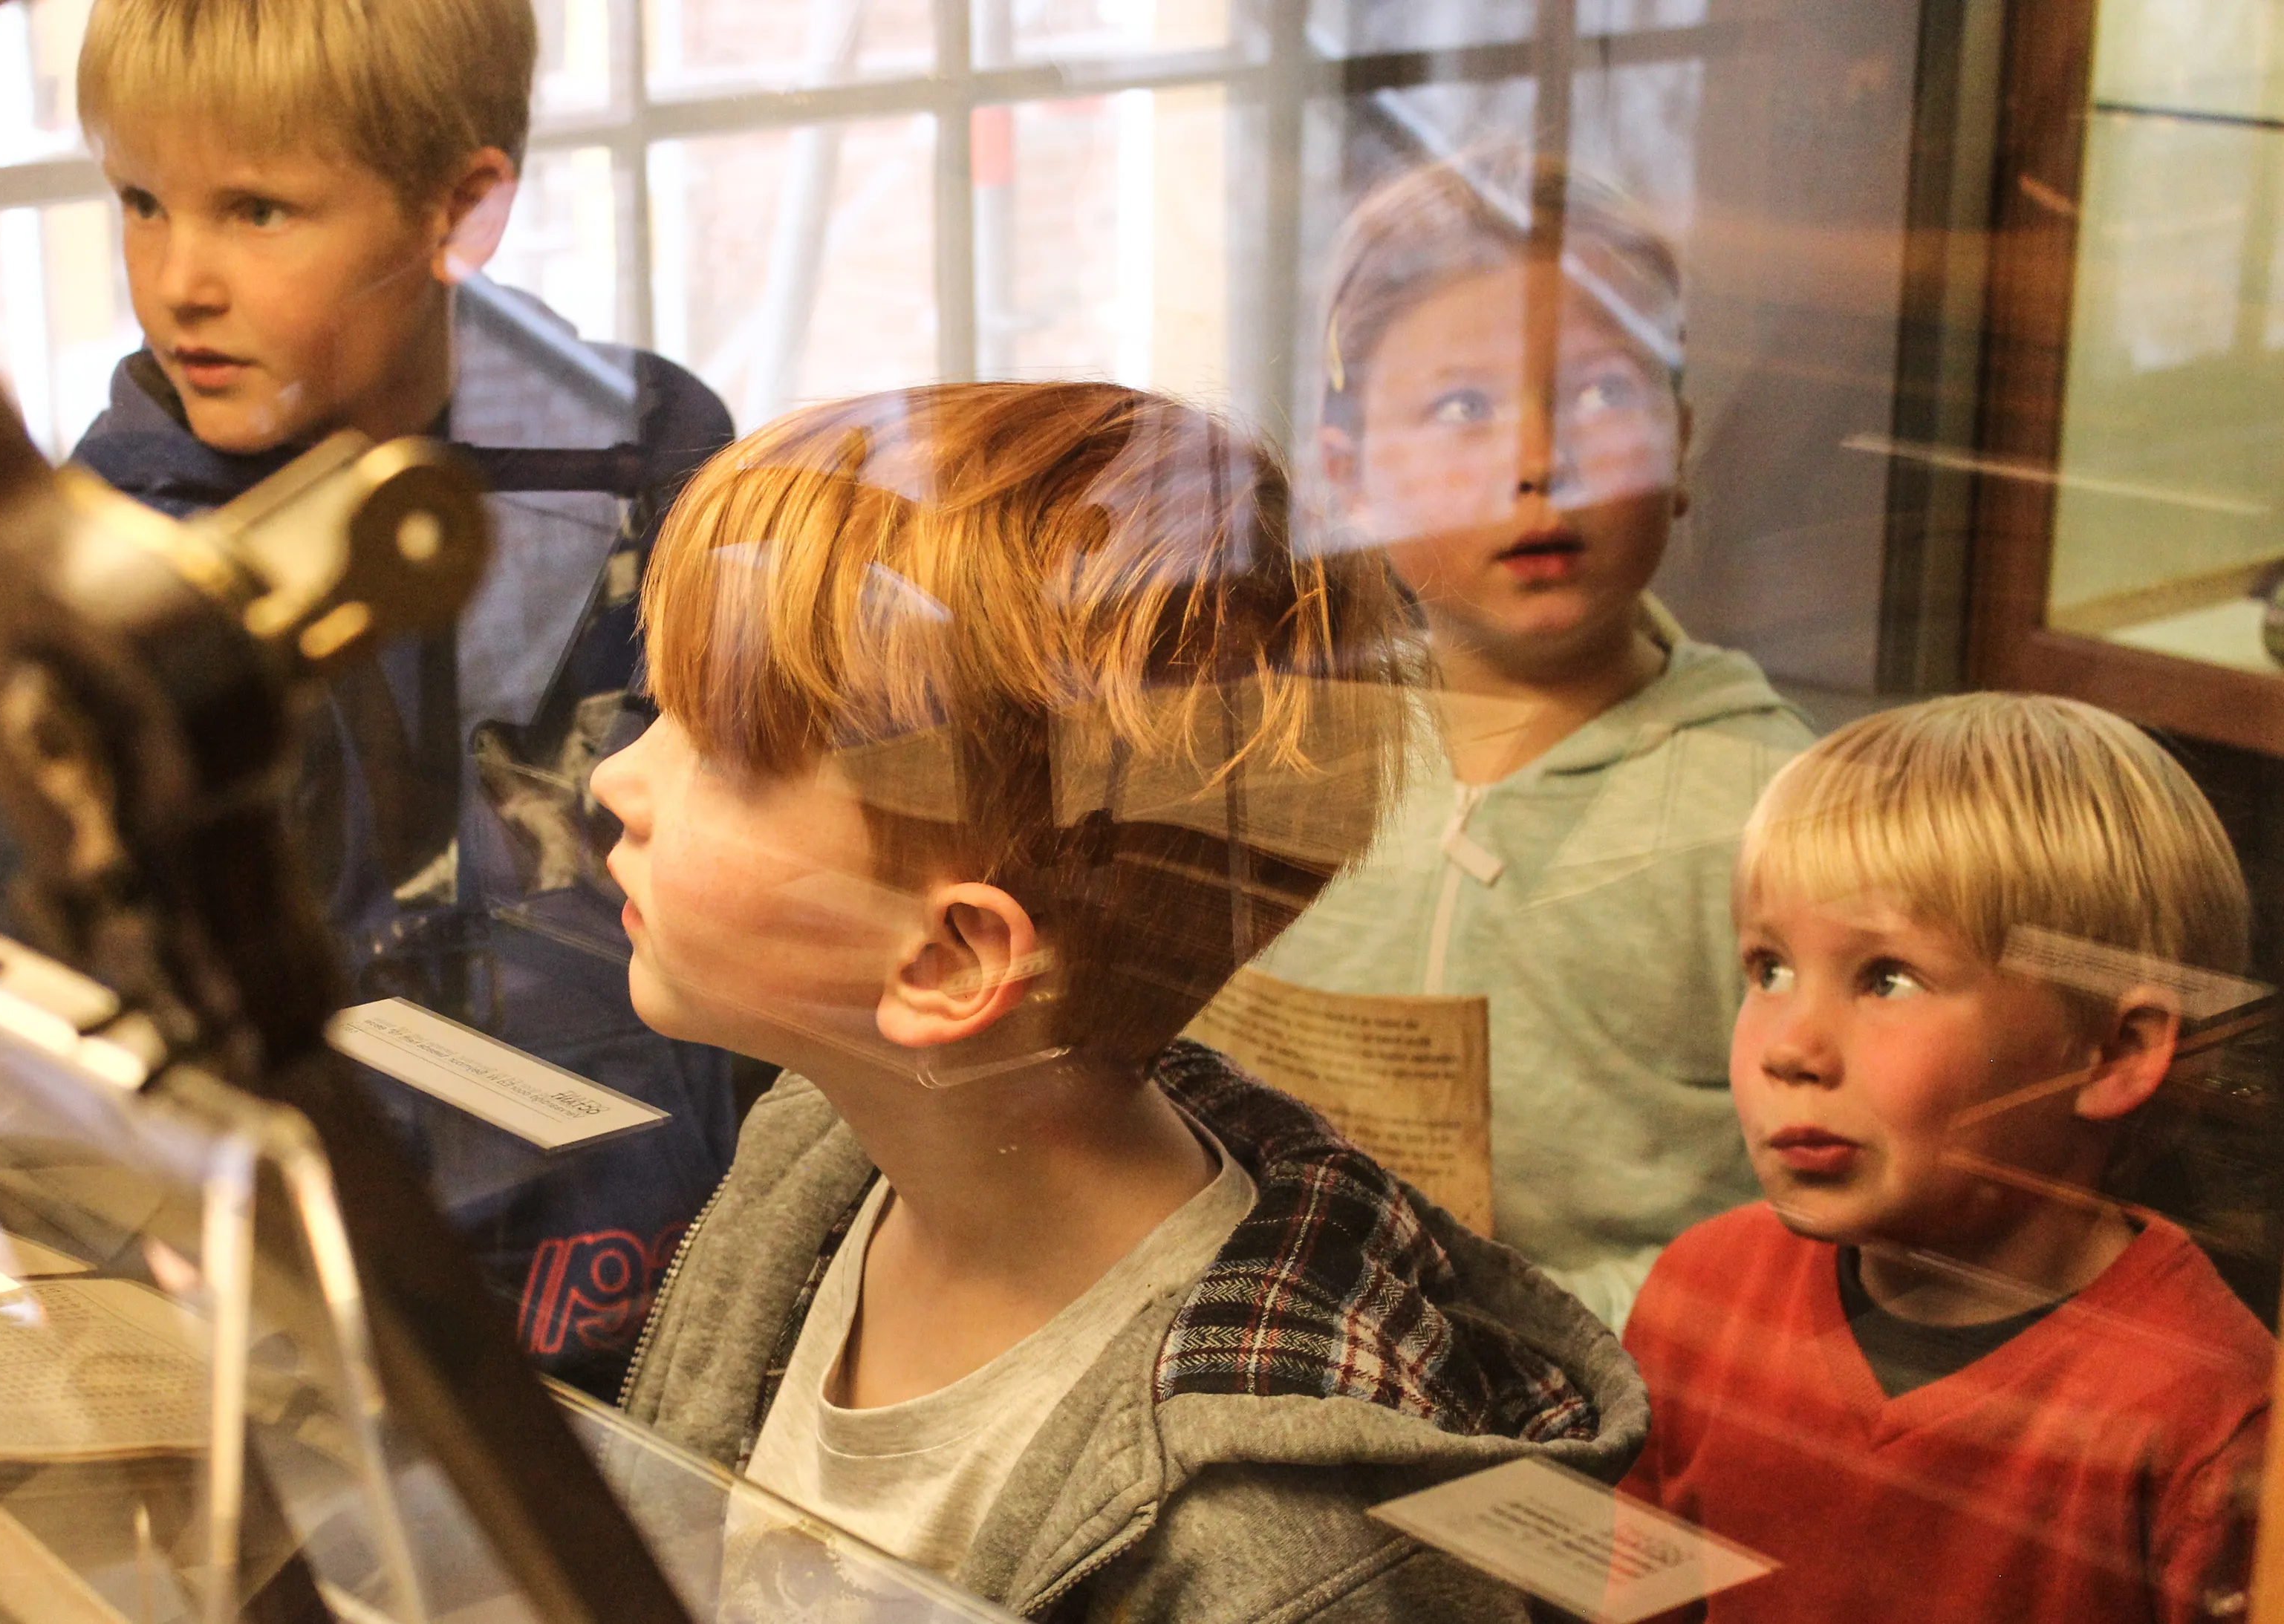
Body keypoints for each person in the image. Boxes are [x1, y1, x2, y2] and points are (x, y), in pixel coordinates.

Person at [607, 382, 1647, 1622]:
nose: (619, 779)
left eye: (720, 748)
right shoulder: (822, 1155)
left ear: (950, 959)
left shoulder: (1275, 1549)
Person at [0, 0, 738, 1399]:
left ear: (461, 210)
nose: (179, 282)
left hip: (652, 1299)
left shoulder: (642, 461)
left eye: (258, 211)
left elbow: (750, 878)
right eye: (141, 203)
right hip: (286, 1333)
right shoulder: (112, 559)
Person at [1247, 153, 1812, 1330]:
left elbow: (1819, 1205)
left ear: (1680, 447)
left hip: (1625, 1384)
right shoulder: (1284, 753)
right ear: (1350, 474)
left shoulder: (1773, 809)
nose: (1539, 460)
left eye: (1603, 393)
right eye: (1463, 407)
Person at [1621, 694, 2273, 1624]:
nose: (1790, 1048)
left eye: (1887, 979)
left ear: (2113, 1055)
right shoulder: (1704, 1293)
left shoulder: (2208, 1418)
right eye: (1770, 969)